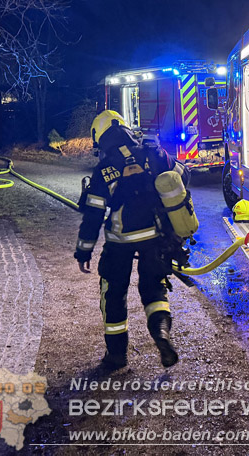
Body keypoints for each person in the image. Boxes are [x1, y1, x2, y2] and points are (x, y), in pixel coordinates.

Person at [74, 110, 190, 368]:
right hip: (154, 237)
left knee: (114, 294)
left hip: (119, 242)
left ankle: (116, 356)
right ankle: (162, 335)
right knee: (154, 289)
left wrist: (84, 251)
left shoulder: (104, 168)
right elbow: (183, 175)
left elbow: (93, 214)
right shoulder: (153, 152)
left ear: (100, 136)